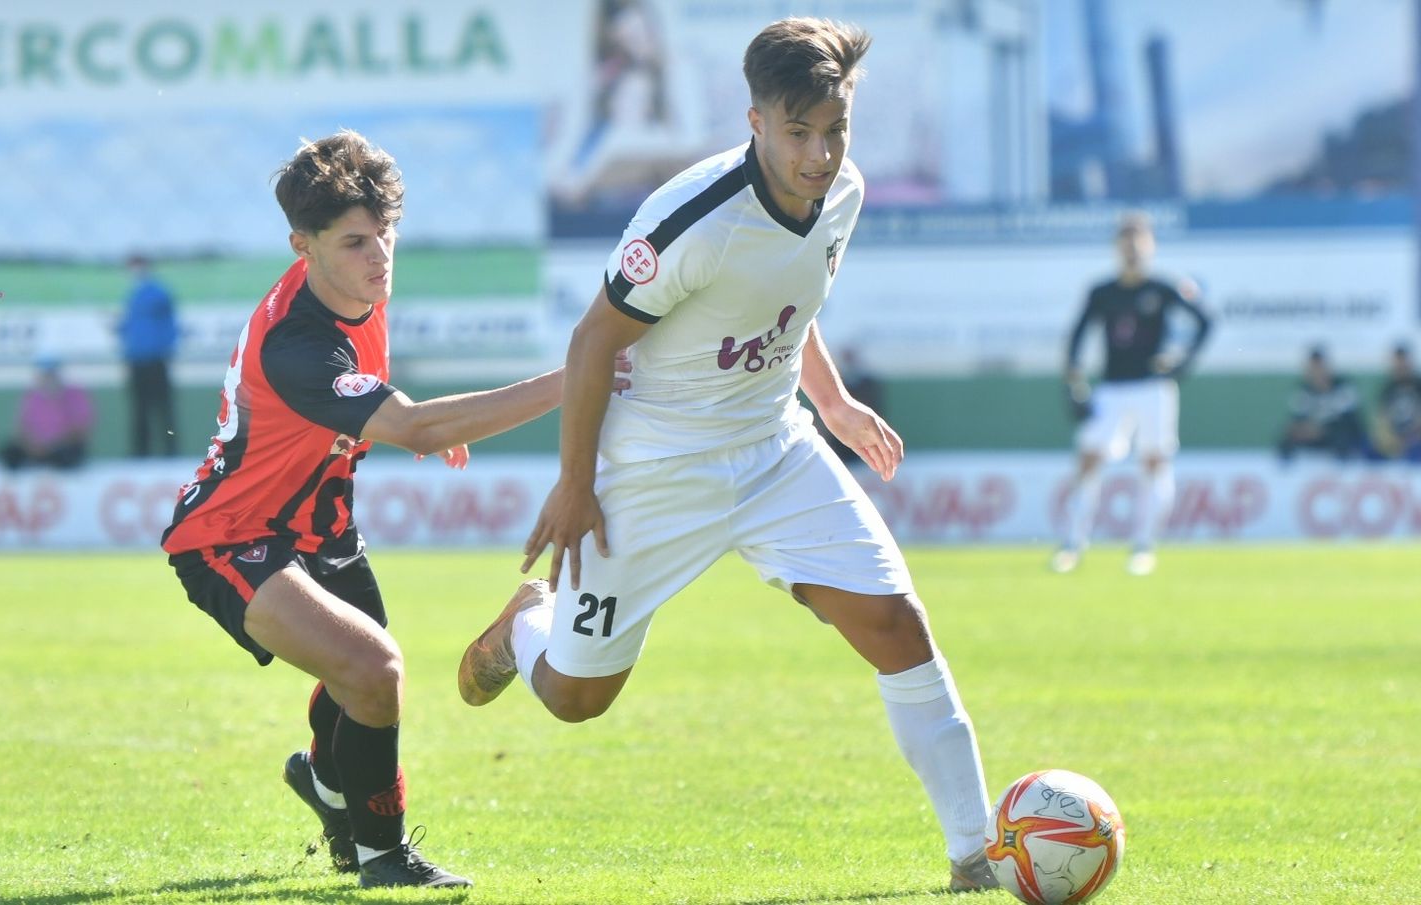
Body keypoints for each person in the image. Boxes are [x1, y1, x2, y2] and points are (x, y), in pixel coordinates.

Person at [457, 18, 999, 893]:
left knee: (898, 626)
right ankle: (527, 621)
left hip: (777, 449)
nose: (820, 154)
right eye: (799, 133)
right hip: (655, 469)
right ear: (755, 121)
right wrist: (573, 485)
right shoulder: (691, 221)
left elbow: (790, 298)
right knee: (574, 697)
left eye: (836, 129)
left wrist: (834, 403)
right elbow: (594, 343)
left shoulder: (846, 192)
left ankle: (976, 853)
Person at [161, 129, 565, 889]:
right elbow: (413, 422)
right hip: (232, 537)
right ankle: (385, 856)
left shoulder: (355, 286)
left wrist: (411, 422)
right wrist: (575, 378)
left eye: (387, 235)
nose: (378, 255)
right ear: (301, 244)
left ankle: (325, 782)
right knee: (376, 670)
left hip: (322, 525)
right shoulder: (294, 344)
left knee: (359, 681)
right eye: (354, 241)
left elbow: (388, 403)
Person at [1051, 212, 1211, 576]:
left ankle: (1143, 546)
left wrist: (1182, 363)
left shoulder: (1163, 288)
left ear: (1150, 247)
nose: (1132, 254)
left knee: (1154, 463)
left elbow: (1205, 321)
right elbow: (1077, 337)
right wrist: (1073, 380)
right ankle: (1073, 544)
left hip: (1154, 388)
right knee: (1089, 457)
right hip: (1112, 388)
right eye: (1126, 246)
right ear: (1117, 249)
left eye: (1139, 246)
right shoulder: (1103, 292)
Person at [116, 254, 179, 457]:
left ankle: (170, 450)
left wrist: (167, 348)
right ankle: (141, 452)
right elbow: (129, 328)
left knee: (162, 406)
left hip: (156, 358)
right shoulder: (132, 295)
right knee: (139, 407)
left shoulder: (158, 293)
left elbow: (169, 324)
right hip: (136, 359)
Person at [0, 354, 95, 471]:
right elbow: (21, 428)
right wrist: (32, 446)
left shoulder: (75, 394)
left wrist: (52, 446)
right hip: (35, 449)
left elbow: (80, 430)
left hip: (61, 448)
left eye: (51, 374)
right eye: (44, 374)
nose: (48, 378)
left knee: (70, 453)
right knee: (8, 451)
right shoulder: (31, 396)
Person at [1275, 346, 1367, 463]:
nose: (1317, 372)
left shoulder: (1344, 388)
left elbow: (1351, 422)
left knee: (1342, 437)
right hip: (1313, 438)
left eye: (1320, 367)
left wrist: (1322, 430)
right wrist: (1303, 429)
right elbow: (1297, 420)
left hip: (1339, 439)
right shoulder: (1304, 391)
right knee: (1287, 435)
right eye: (1313, 368)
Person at [1371, 342, 1421, 463]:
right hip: (1394, 441)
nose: (1400, 367)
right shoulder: (1387, 390)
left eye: (1403, 362)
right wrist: (1391, 440)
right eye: (1397, 363)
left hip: (1416, 440)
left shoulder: (1418, 386)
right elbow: (1381, 421)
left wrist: (1410, 438)